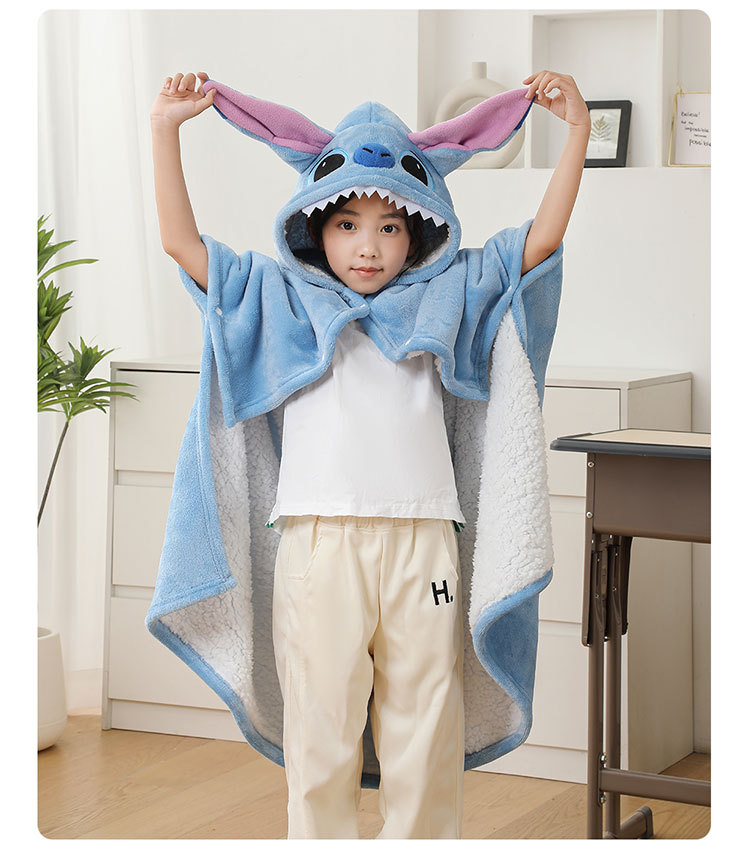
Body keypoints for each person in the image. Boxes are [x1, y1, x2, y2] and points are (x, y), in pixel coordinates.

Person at [148, 70, 589, 840]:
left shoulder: (452, 292)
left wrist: (576, 132)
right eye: (348, 223)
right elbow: (182, 246)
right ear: (313, 225)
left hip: (425, 543)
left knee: (427, 728)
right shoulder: (278, 297)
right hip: (318, 543)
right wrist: (164, 130)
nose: (367, 245)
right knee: (320, 728)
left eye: (389, 227)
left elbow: (539, 244)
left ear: (418, 231)